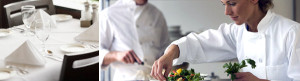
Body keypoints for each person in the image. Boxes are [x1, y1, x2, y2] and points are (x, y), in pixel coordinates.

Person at [150, 0, 300, 81]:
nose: (227, 12)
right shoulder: (236, 32)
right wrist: (171, 53)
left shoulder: (291, 32)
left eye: (232, 3)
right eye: (224, 4)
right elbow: (199, 43)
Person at [99, 0, 170, 80]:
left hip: (154, 78)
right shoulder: (109, 13)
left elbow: (166, 49)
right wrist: (116, 55)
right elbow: (97, 55)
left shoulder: (157, 14)